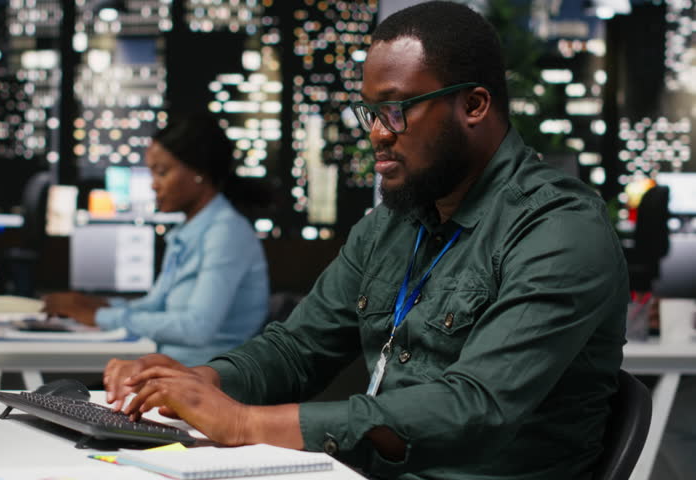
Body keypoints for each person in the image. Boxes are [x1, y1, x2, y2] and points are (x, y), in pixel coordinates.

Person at [103, 3, 629, 479]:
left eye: (398, 109)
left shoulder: (558, 228)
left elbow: (475, 407)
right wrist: (200, 382)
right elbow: (296, 350)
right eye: (371, 112)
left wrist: (241, 422)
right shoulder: (393, 224)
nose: (378, 132)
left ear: (474, 105)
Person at [42, 112, 270, 367]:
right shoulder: (189, 230)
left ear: (199, 173)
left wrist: (100, 316)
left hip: (207, 382)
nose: (153, 185)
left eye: (161, 172)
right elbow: (157, 305)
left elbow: (197, 327)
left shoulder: (226, 233)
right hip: (175, 371)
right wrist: (96, 304)